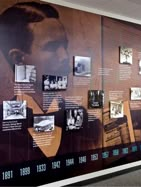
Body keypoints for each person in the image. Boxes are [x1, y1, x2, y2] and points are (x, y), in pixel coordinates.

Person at [0, 1, 102, 167]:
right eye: (52, 47)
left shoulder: (87, 121)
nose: (65, 57)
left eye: (65, 46)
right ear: (18, 59)